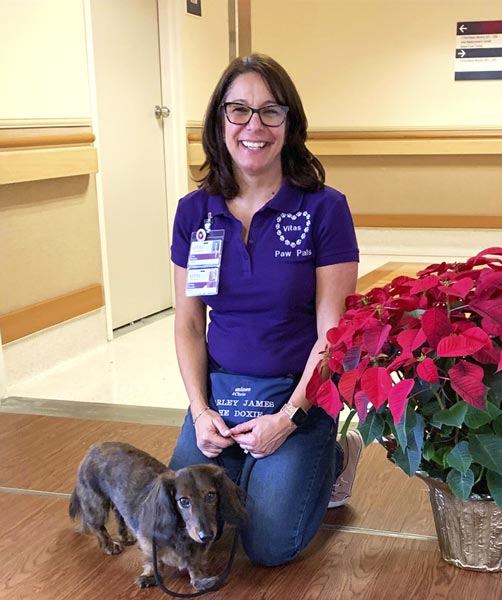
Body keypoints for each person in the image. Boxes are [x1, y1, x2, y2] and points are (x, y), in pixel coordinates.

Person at [169, 53, 362, 567]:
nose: (254, 126)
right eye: (239, 110)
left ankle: (336, 456)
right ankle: (250, 463)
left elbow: (334, 335)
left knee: (269, 544)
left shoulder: (324, 208)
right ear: (219, 121)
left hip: (296, 395)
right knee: (181, 529)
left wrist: (290, 416)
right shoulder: (194, 212)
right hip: (222, 393)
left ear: (289, 123)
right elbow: (188, 324)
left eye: (270, 111)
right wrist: (200, 409)